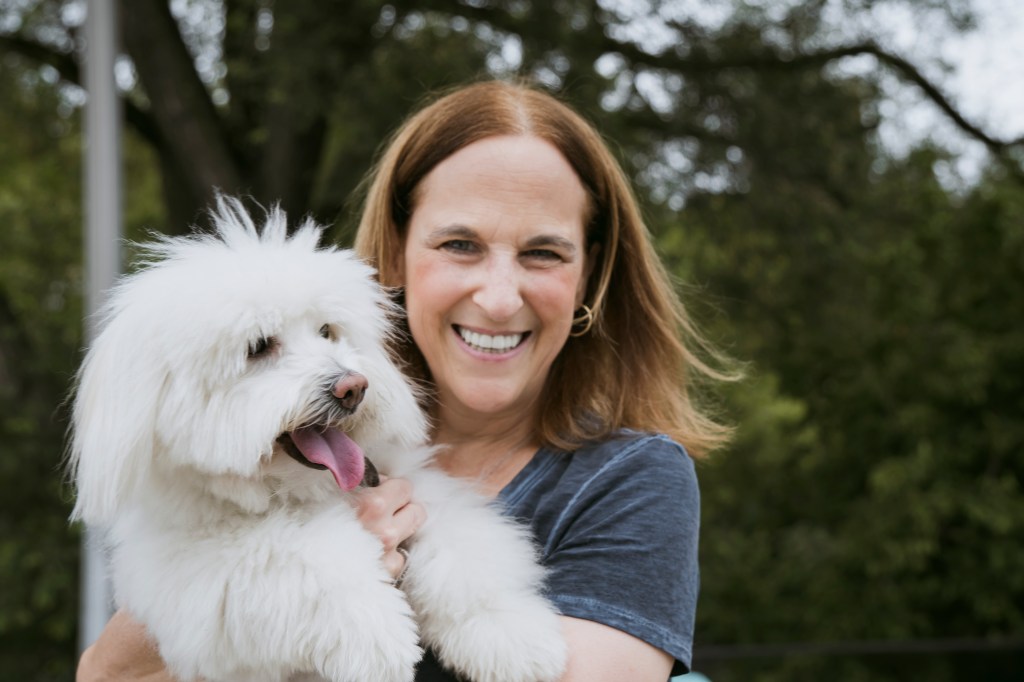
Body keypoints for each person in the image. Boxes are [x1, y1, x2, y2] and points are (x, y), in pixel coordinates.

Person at [77, 79, 734, 682]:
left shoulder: (629, 479)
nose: (500, 298)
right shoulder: (191, 510)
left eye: (543, 252)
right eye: (460, 245)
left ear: (589, 275)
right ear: (396, 253)